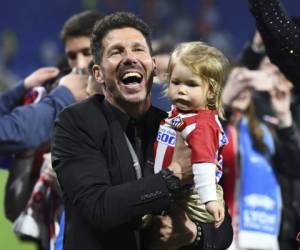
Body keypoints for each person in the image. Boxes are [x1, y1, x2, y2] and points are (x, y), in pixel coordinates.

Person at [51, 11, 233, 250]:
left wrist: (192, 233)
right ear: (98, 73)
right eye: (116, 51)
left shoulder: (174, 125)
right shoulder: (75, 122)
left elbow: (223, 228)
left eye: (138, 49)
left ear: (153, 67)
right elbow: (98, 208)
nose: (129, 58)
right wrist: (174, 175)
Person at [0, 10, 102, 154]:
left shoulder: (129, 101)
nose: (80, 65)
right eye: (72, 56)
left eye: (87, 53)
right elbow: (19, 133)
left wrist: (20, 88)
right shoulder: (56, 98)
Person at [153, 41, 228, 230]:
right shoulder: (179, 115)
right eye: (176, 82)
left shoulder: (202, 125)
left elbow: (204, 163)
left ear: (211, 91)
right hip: (167, 186)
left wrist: (209, 200)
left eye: (191, 84)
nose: (182, 90)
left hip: (193, 194)